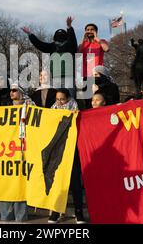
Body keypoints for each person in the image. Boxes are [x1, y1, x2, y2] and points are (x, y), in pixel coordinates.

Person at [49, 89, 85, 224]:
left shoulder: (77, 111)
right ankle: (55, 211)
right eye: (57, 99)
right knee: (57, 182)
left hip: (73, 152)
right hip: (57, 152)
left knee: (75, 183)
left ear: (69, 99)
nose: (59, 102)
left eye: (62, 99)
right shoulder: (51, 111)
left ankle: (78, 212)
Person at [0, 82, 34, 222]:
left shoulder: (31, 107)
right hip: (7, 149)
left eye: (14, 90)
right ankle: (6, 216)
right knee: (6, 181)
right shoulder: (5, 109)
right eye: (10, 90)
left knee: (20, 181)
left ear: (21, 92)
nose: (11, 93)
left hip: (23, 149)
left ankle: (20, 216)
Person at [22, 16, 78, 91]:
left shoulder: (70, 46)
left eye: (62, 35)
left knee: (70, 97)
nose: (60, 37)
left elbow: (73, 39)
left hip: (69, 77)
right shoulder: (52, 46)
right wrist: (30, 34)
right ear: (55, 37)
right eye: (58, 35)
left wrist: (69, 27)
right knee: (57, 98)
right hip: (55, 77)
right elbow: (40, 44)